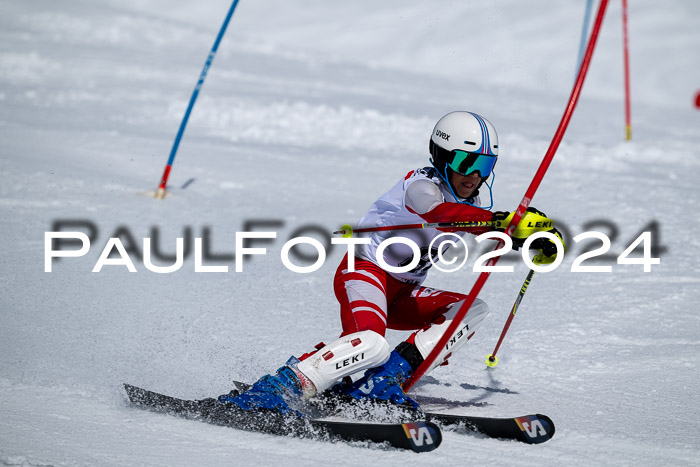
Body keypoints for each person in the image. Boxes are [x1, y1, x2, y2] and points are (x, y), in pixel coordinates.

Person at [218, 111, 564, 415]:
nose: (474, 175)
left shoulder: (471, 204)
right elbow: (440, 215)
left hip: (403, 292)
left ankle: (381, 382)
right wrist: (499, 220)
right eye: (466, 162)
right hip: (365, 273)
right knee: (371, 342)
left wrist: (534, 238)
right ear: (443, 157)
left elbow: (483, 228)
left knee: (472, 308)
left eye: (485, 166)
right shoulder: (421, 185)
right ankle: (278, 388)